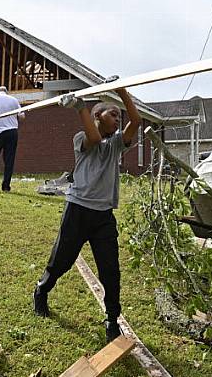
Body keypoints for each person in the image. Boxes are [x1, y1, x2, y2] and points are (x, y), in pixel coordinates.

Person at [33, 89, 141, 342]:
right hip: (78, 211)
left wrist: (122, 92)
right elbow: (93, 135)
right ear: (97, 117)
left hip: (103, 216)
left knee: (110, 270)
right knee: (62, 260)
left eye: (119, 116)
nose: (118, 119)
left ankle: (112, 320)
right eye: (113, 114)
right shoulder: (81, 138)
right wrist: (80, 106)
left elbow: (135, 122)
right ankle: (42, 290)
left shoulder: (116, 145)